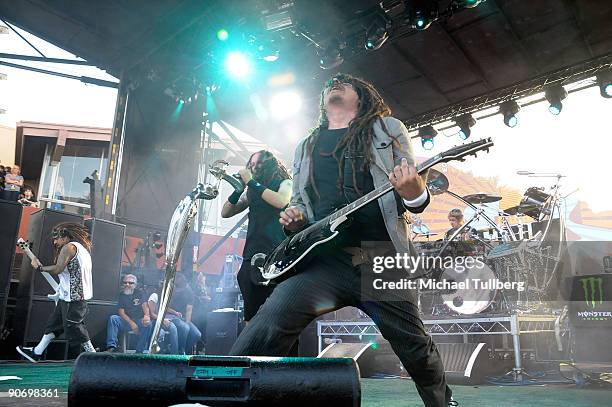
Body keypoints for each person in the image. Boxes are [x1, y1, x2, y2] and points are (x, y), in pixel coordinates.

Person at [229, 74, 455, 407]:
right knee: (266, 325)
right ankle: (222, 394)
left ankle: (442, 402)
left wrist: (414, 192)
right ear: (322, 101)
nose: (336, 83)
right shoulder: (306, 145)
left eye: (345, 82)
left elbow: (414, 196)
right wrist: (294, 218)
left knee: (414, 345)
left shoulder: (387, 128)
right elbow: (300, 206)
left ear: (361, 96)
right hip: (323, 261)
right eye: (331, 83)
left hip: (378, 256)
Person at [221, 150, 292, 322]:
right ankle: (252, 346)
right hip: (252, 254)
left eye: (258, 164)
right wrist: (237, 191)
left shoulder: (285, 183)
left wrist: (251, 182)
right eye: (251, 165)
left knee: (280, 312)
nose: (254, 167)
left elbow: (282, 201)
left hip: (277, 253)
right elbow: (225, 212)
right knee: (251, 313)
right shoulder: (252, 191)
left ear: (270, 164)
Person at [16, 223, 96, 362]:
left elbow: (58, 269)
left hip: (74, 298)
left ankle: (94, 355)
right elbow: (70, 274)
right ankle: (37, 352)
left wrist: (40, 268)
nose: (55, 242)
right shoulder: (81, 249)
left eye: (57, 239)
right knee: (54, 324)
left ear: (65, 237)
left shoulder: (68, 247)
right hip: (69, 296)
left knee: (74, 326)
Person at [105, 274, 153, 353]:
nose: (127, 284)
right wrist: (132, 324)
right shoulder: (121, 295)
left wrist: (146, 316)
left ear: (135, 285)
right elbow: (121, 312)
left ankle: (139, 351)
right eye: (125, 282)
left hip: (139, 321)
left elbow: (145, 306)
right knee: (113, 318)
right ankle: (111, 347)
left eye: (130, 283)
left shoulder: (140, 293)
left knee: (149, 324)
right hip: (126, 322)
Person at [165, 273, 201, 354]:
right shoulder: (170, 291)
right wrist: (175, 312)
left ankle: (183, 349)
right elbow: (164, 307)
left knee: (197, 334)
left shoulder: (189, 293)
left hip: (181, 317)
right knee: (184, 328)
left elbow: (189, 310)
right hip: (170, 316)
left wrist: (187, 322)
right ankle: (180, 351)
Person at [147, 289, 179, 354]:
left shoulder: (165, 297)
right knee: (161, 333)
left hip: (160, 320)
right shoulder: (154, 296)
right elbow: (152, 314)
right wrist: (163, 320)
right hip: (153, 321)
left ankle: (174, 353)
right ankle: (158, 354)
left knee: (173, 327)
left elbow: (166, 308)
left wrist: (175, 313)